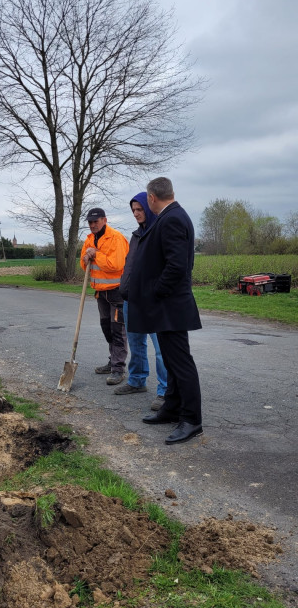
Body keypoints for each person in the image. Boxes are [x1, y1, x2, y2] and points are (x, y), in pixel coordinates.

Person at [127, 178, 203, 444]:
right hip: (167, 306)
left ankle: (192, 419)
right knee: (171, 361)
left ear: (151, 197)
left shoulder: (171, 219)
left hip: (170, 306)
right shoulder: (172, 215)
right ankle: (171, 408)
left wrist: (156, 291)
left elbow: (177, 265)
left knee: (181, 364)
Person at [117, 192, 168, 410]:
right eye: (133, 210)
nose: (136, 214)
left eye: (140, 209)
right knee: (136, 342)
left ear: (148, 208)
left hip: (153, 300)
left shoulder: (159, 232)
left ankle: (165, 391)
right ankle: (137, 381)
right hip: (132, 298)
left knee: (161, 348)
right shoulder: (137, 235)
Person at [80, 207, 129, 385]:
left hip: (116, 292)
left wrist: (95, 254)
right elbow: (85, 266)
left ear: (104, 220)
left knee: (117, 329)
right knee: (106, 328)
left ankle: (118, 368)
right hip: (100, 292)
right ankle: (112, 361)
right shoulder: (89, 240)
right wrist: (85, 259)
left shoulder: (115, 238)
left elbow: (115, 265)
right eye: (90, 222)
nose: (92, 225)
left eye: (96, 221)